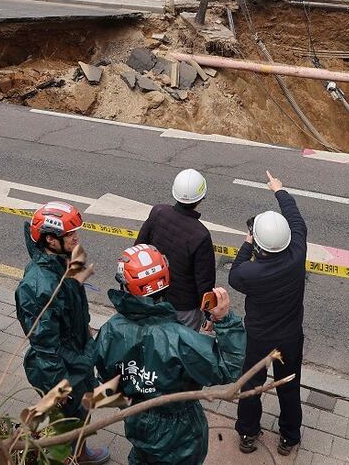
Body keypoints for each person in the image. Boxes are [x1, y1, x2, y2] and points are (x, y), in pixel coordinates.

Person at [94, 244, 245, 465]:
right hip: (181, 432)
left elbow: (107, 379)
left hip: (138, 420)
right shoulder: (180, 339)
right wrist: (225, 322)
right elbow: (230, 368)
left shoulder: (110, 330)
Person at [15, 201, 109, 465]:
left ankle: (81, 453)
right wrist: (58, 386)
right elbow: (44, 345)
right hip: (63, 369)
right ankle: (68, 457)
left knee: (79, 415)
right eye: (69, 234)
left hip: (77, 356)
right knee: (65, 425)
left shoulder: (60, 263)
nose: (76, 237)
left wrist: (85, 330)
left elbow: (69, 309)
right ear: (50, 240)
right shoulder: (38, 285)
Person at [230, 171, 308, 456]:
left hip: (258, 339)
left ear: (259, 244)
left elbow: (235, 274)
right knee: (289, 385)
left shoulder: (250, 273)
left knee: (251, 385)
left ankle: (248, 433)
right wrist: (280, 190)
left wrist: (246, 243)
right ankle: (289, 437)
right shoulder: (298, 253)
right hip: (290, 337)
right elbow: (296, 219)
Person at [132, 168, 215, 330]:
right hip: (184, 307)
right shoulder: (201, 235)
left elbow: (139, 249)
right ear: (201, 197)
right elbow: (204, 281)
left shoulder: (158, 212)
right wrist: (209, 314)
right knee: (182, 349)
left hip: (153, 297)